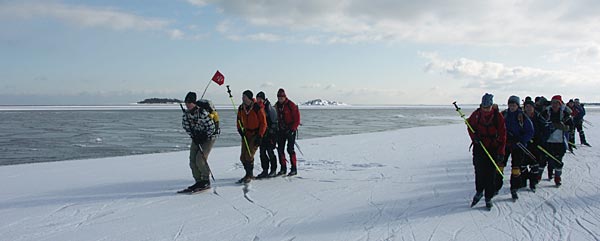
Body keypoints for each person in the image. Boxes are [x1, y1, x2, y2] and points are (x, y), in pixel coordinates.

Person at [467, 93, 506, 210]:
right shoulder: (476, 115)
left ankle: (488, 197)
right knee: (479, 171)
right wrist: (475, 138)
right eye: (484, 107)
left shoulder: (498, 117)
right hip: (479, 147)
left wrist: (501, 152)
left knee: (491, 173)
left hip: (493, 148)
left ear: (491, 106)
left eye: (487, 107)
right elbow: (469, 127)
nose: (486, 110)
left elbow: (503, 135)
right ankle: (479, 191)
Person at [179, 92, 218, 193]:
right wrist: (194, 135)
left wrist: (203, 136)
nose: (187, 104)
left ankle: (205, 180)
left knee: (200, 159)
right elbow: (185, 126)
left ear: (194, 103)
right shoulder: (186, 114)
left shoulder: (203, 113)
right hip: (196, 138)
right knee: (192, 160)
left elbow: (212, 128)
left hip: (209, 138)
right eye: (186, 102)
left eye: (190, 102)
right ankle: (198, 181)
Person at [498, 96, 534, 200]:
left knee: (516, 168)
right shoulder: (503, 115)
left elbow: (530, 132)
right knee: (499, 166)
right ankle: (496, 186)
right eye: (510, 105)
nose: (512, 107)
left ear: (517, 105)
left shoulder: (522, 117)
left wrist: (521, 139)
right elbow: (496, 126)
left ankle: (514, 188)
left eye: (514, 105)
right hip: (505, 145)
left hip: (518, 146)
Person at [540, 95, 573, 187]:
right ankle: (538, 177)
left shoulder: (565, 114)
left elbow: (571, 127)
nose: (554, 105)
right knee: (543, 160)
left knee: (558, 161)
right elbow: (540, 123)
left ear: (560, 104)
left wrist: (565, 127)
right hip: (547, 141)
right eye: (553, 103)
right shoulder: (546, 112)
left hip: (560, 142)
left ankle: (557, 178)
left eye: (556, 103)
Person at [236, 90, 267, 184]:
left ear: (249, 98)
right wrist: (240, 129)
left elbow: (263, 123)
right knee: (242, 157)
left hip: (255, 134)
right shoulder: (241, 108)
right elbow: (238, 120)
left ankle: (249, 175)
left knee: (249, 155)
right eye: (242, 97)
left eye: (244, 97)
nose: (242, 98)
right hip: (246, 134)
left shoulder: (257, 107)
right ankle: (247, 173)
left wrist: (260, 136)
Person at [275, 88, 301, 176]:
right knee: (280, 149)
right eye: (279, 97)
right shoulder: (276, 106)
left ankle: (294, 168)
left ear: (285, 97)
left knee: (290, 149)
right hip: (281, 131)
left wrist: (292, 129)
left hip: (290, 130)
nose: (280, 99)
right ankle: (283, 168)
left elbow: (297, 119)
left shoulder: (291, 105)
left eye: (281, 97)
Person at [256, 91, 279, 178]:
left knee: (270, 152)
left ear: (263, 99)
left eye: (260, 99)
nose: (258, 100)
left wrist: (271, 133)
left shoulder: (269, 108)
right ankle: (265, 170)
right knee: (262, 153)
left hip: (270, 135)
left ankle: (273, 170)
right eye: (257, 99)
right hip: (262, 134)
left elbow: (274, 122)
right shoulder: (257, 108)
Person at [522, 98, 543, 192]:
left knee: (535, 164)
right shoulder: (520, 117)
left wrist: (540, 140)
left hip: (536, 144)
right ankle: (523, 180)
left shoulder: (538, 117)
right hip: (523, 144)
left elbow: (545, 129)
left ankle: (533, 182)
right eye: (527, 106)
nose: (529, 108)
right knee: (522, 165)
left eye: (530, 106)